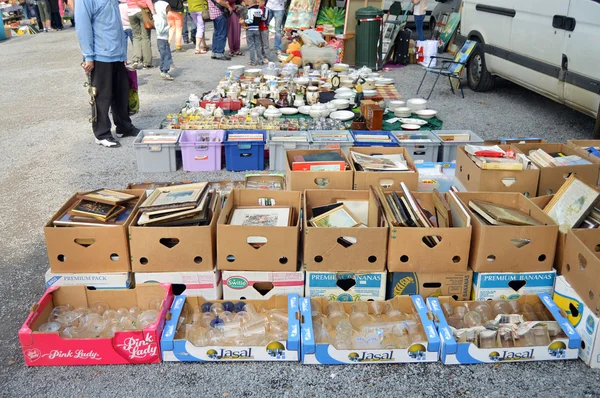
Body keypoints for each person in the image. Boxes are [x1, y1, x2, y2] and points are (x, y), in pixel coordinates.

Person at [75, 0, 139, 148]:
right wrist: (88, 56)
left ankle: (124, 126)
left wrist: (123, 53)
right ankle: (102, 133)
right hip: (100, 54)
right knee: (102, 96)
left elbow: (116, 23)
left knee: (121, 93)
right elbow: (83, 26)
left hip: (117, 52)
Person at [128, 0, 155, 69]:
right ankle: (147, 63)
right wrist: (152, 11)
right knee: (145, 37)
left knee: (136, 37)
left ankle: (136, 60)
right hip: (141, 10)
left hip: (130, 11)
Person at [154, 0, 175, 79]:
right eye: (166, 10)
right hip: (162, 39)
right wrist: (168, 26)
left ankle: (163, 70)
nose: (168, 12)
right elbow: (160, 31)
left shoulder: (160, 17)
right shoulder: (160, 20)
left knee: (164, 55)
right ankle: (164, 71)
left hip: (162, 40)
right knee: (166, 55)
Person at [243, 0, 261, 66]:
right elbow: (260, 19)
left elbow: (250, 20)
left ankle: (253, 61)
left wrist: (243, 21)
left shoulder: (250, 10)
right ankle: (260, 60)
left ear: (251, 2)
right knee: (258, 45)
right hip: (257, 29)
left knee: (251, 46)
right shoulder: (259, 10)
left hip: (250, 29)